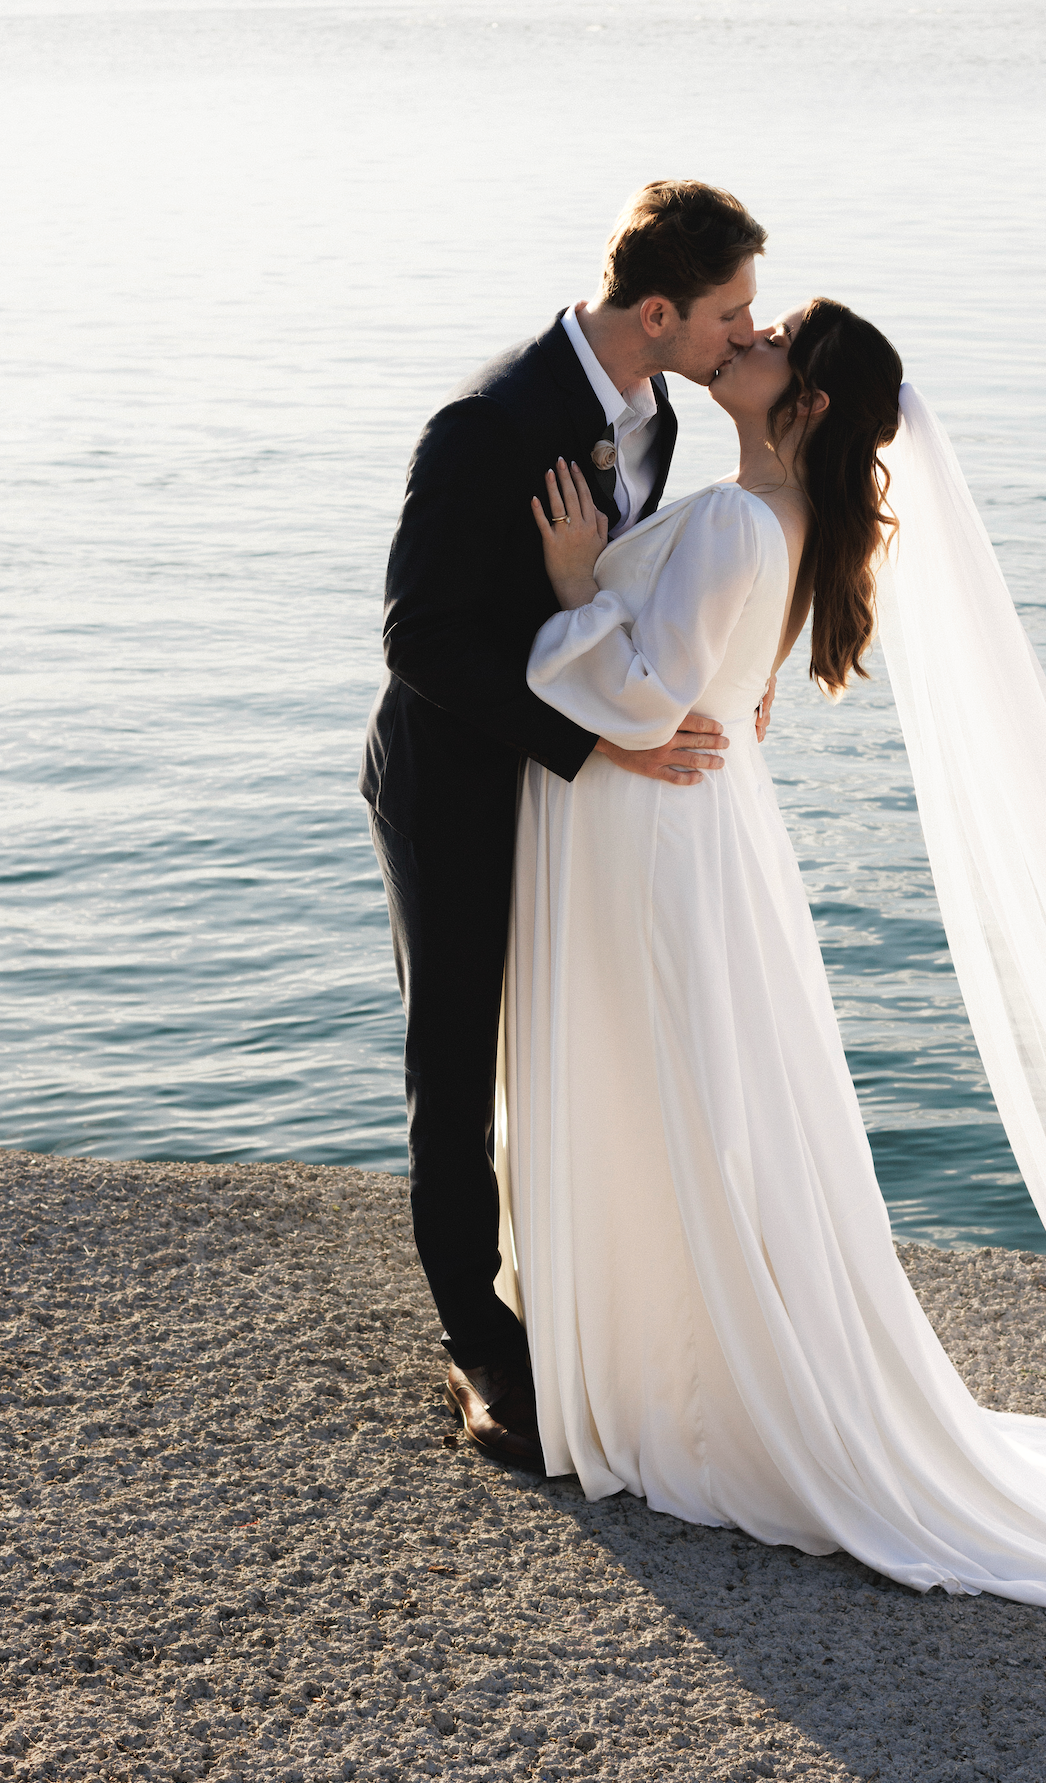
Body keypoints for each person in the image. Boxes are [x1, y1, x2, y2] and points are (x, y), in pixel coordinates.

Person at [505, 297, 1046, 1636]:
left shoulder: (734, 518)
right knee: (691, 1098)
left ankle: (683, 1372)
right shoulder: (765, 518)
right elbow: (705, 683)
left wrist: (566, 589)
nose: (750, 341)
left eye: (774, 340)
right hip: (689, 835)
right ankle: (676, 1348)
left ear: (811, 403)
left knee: (663, 1089)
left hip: (655, 836)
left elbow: (653, 701)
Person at [360, 181, 768, 1469]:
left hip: (568, 792)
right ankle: (479, 1343)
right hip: (459, 787)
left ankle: (581, 1286)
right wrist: (591, 742)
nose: (741, 337)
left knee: (563, 1039)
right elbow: (416, 635)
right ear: (659, 310)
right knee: (455, 1071)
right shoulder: (488, 421)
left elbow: (620, 592)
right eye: (730, 314)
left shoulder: (652, 414)